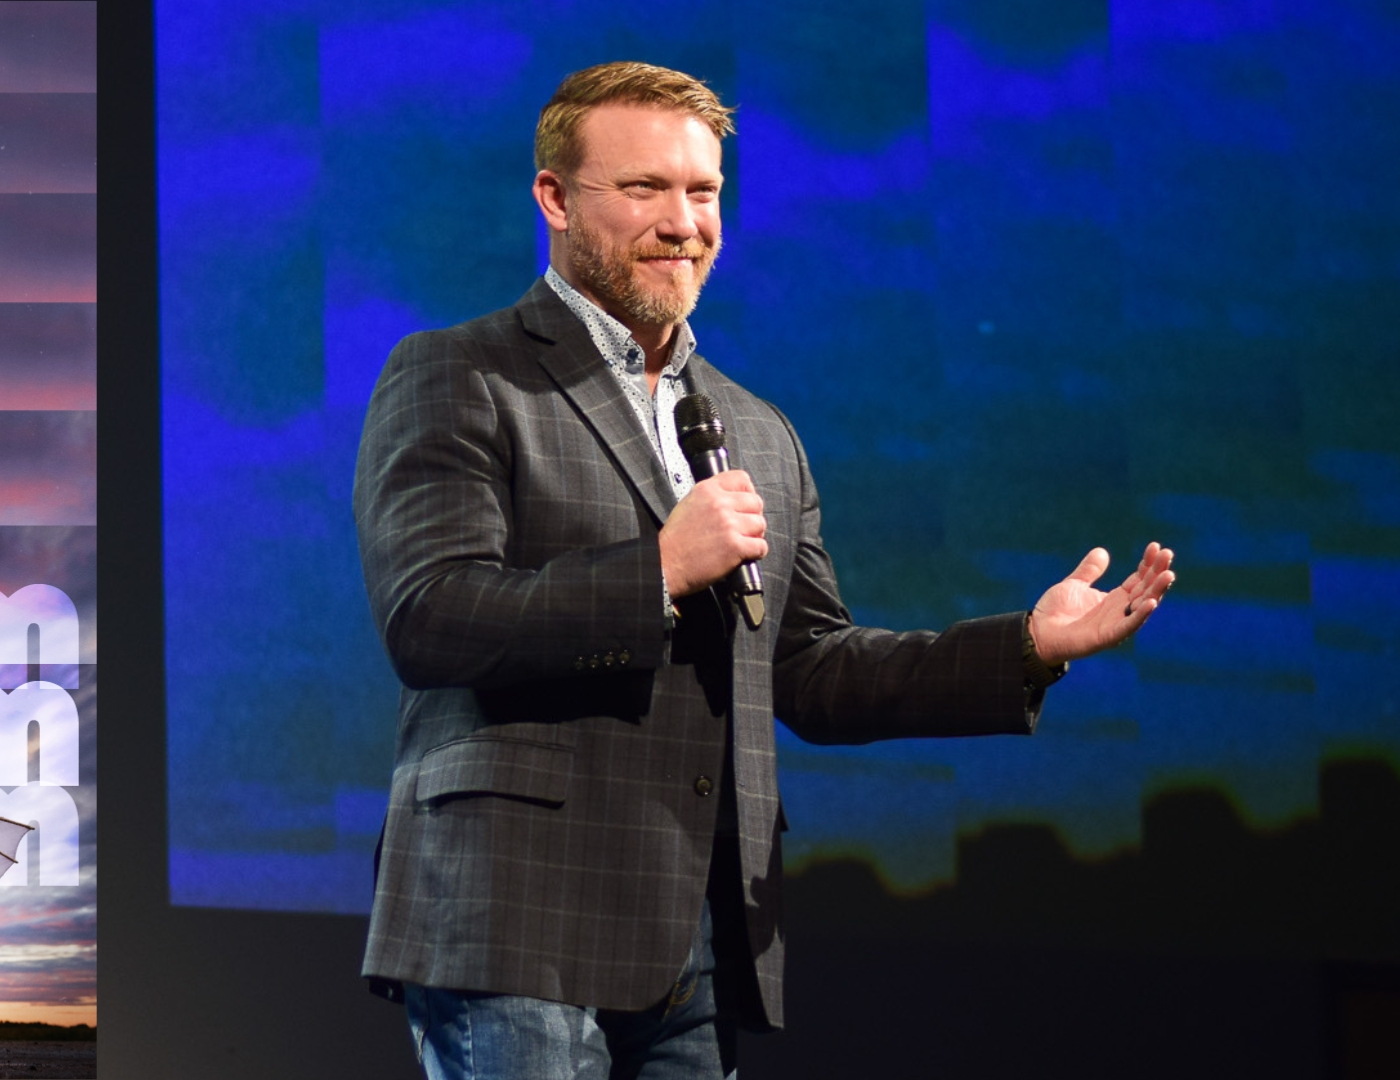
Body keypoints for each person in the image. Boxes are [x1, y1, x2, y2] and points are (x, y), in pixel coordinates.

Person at [352, 61, 1175, 1079]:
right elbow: (431, 616)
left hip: (698, 939)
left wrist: (1026, 648)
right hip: (514, 916)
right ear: (555, 199)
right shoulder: (461, 373)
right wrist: (660, 568)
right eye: (644, 189)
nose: (682, 223)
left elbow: (814, 669)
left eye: (703, 192)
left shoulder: (758, 431)